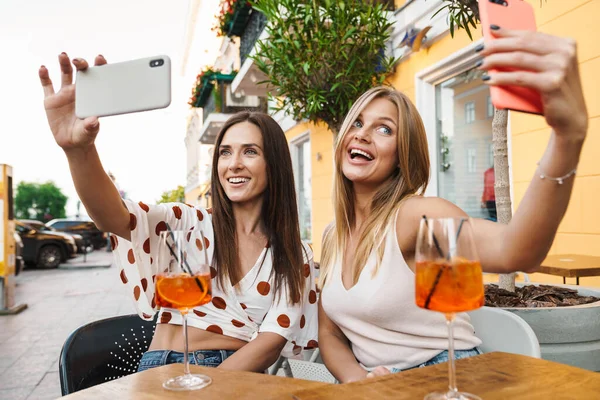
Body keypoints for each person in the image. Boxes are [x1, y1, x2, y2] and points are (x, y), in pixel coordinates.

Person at [318, 27, 587, 382]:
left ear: (402, 156)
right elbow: (330, 334)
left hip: (447, 376)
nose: (362, 134)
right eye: (357, 122)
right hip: (378, 384)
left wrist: (566, 139)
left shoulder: (415, 215)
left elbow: (515, 251)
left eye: (384, 129)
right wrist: (358, 380)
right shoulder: (331, 235)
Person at [38, 54, 318, 373]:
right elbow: (113, 217)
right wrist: (79, 151)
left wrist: (206, 388)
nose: (233, 163)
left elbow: (270, 343)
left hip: (229, 373)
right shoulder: (189, 222)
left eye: (250, 151)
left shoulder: (295, 254)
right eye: (225, 152)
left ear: (276, 165)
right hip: (160, 369)